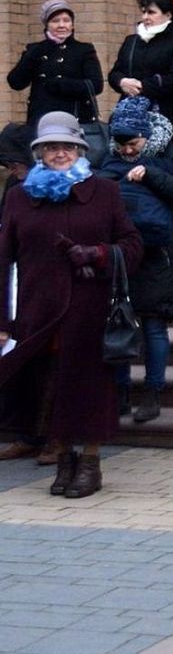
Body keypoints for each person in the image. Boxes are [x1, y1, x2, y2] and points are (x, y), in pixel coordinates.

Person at [0, 112, 143, 498]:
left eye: (67, 146)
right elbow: (3, 259)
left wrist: (97, 253)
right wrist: (4, 320)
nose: (59, 153)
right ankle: (63, 461)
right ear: (39, 153)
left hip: (89, 309)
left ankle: (91, 465)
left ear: (80, 149)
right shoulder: (19, 196)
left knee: (89, 389)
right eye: (50, 147)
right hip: (37, 310)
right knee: (48, 386)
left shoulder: (104, 191)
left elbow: (132, 247)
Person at [97, 97, 173, 423]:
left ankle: (153, 392)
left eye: (134, 143)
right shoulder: (110, 156)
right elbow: (96, 188)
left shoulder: (167, 153)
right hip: (122, 255)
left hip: (158, 255)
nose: (127, 150)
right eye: (122, 143)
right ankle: (121, 392)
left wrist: (152, 174)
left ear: (146, 134)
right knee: (119, 322)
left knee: (154, 325)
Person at [0, 122, 46, 462]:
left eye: (17, 165)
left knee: (47, 368)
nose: (14, 172)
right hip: (17, 281)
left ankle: (51, 437)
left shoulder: (49, 186)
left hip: (45, 284)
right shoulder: (14, 190)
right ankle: (26, 433)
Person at [107, 0, 173, 149]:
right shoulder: (131, 41)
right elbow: (114, 73)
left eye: (152, 12)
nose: (146, 17)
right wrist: (122, 82)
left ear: (168, 15)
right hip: (129, 119)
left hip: (163, 117)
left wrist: (142, 86)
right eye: (144, 12)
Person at [7, 0, 103, 128]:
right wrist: (33, 54)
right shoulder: (35, 50)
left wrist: (63, 85)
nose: (61, 25)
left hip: (75, 120)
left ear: (72, 25)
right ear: (47, 25)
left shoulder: (84, 49)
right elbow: (15, 82)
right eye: (55, 21)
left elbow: (96, 85)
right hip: (41, 120)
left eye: (66, 20)